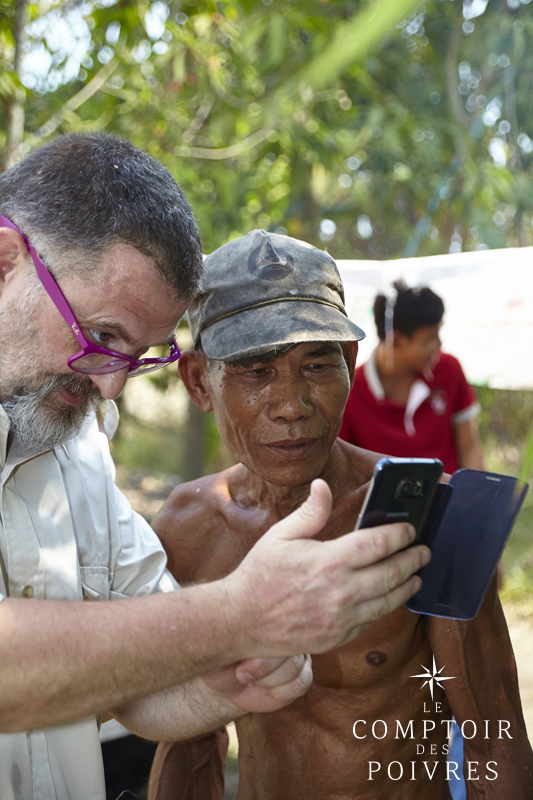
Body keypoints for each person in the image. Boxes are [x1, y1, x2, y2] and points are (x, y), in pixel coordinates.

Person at [0, 136, 428, 800]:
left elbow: (143, 683)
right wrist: (241, 613)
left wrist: (225, 683)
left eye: (137, 356)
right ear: (5, 262)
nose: (111, 388)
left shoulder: (75, 446)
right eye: (102, 336)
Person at [147, 230, 532, 800]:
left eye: (317, 365)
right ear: (200, 380)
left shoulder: (434, 511)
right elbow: (188, 744)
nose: (292, 406)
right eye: (255, 370)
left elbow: (493, 740)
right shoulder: (186, 530)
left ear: (350, 362)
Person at [339, 280, 484, 473]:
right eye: (430, 338)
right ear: (396, 341)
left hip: (450, 500)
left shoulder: (449, 369)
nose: (439, 344)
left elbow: (470, 448)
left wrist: (478, 500)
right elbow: (345, 472)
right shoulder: (348, 391)